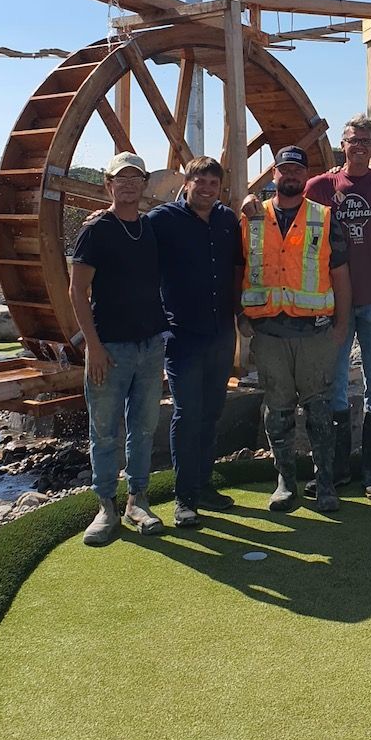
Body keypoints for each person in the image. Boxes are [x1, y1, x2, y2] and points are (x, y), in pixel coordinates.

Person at [238, 146, 351, 514]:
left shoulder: (326, 217)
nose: (290, 176)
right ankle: (285, 482)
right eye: (284, 170)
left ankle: (326, 482)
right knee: (278, 409)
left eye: (297, 171)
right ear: (274, 174)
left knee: (319, 409)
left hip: (314, 332)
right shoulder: (251, 217)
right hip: (269, 333)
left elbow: (341, 276)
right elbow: (235, 268)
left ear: (306, 177)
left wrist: (341, 327)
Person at [303, 114, 371, 501]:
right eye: (352, 140)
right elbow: (284, 214)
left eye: (366, 140)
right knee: (335, 384)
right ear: (341, 146)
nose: (359, 146)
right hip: (333, 301)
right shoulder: (320, 186)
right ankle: (337, 466)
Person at [69, 152, 167, 546]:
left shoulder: (151, 228)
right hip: (110, 347)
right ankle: (106, 505)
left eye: (135, 178)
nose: (128, 184)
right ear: (108, 185)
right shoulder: (96, 231)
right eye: (119, 178)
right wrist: (92, 346)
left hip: (150, 345)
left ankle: (137, 499)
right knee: (105, 430)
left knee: (143, 428)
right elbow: (77, 291)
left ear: (144, 185)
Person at [146, 156, 244, 529]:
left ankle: (204, 486)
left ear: (220, 188)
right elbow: (132, 244)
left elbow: (239, 266)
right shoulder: (163, 221)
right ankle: (183, 498)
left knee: (212, 411)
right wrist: (101, 219)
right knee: (187, 415)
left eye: (213, 185)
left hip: (220, 332)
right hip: (183, 336)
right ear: (185, 183)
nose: (205, 190)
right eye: (199, 182)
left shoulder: (224, 220)